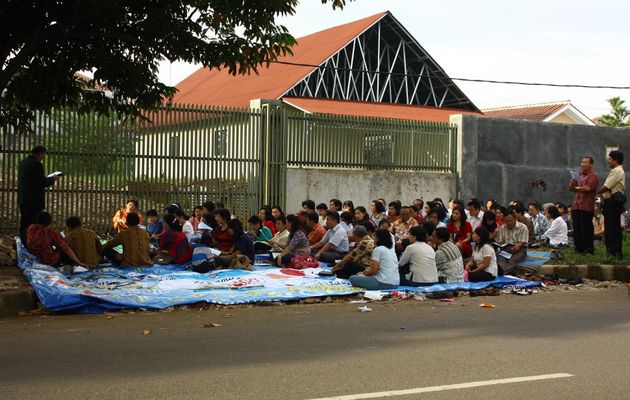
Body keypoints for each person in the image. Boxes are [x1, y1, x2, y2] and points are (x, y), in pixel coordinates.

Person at [18, 145, 59, 243]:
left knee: (24, 223)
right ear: (40, 153)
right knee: (34, 225)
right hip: (34, 201)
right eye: (43, 154)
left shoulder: (23, 163)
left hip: (23, 199)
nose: (43, 157)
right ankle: (32, 245)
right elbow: (42, 182)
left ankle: (24, 243)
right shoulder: (36, 164)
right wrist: (52, 179)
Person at [568, 156, 600, 254]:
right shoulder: (579, 175)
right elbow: (570, 189)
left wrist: (577, 187)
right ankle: (579, 248)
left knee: (586, 229)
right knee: (577, 228)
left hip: (586, 206)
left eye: (585, 162)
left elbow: (588, 188)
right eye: (582, 162)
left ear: (591, 164)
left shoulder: (594, 176)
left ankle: (588, 249)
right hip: (576, 206)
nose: (583, 164)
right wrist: (572, 182)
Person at [597, 150, 625, 258]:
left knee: (613, 228)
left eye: (609, 159)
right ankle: (612, 251)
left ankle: (615, 251)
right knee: (610, 227)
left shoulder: (617, 171)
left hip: (613, 202)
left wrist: (597, 193)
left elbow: (606, 187)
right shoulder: (616, 170)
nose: (608, 161)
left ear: (615, 160)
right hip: (610, 202)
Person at [496, 209, 530, 275]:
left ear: (515, 218)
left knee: (513, 260)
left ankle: (502, 273)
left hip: (520, 249)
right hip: (506, 249)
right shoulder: (502, 228)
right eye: (506, 221)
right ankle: (501, 272)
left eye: (510, 221)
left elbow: (522, 243)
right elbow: (500, 242)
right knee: (501, 259)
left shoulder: (522, 227)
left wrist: (516, 247)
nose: (509, 223)